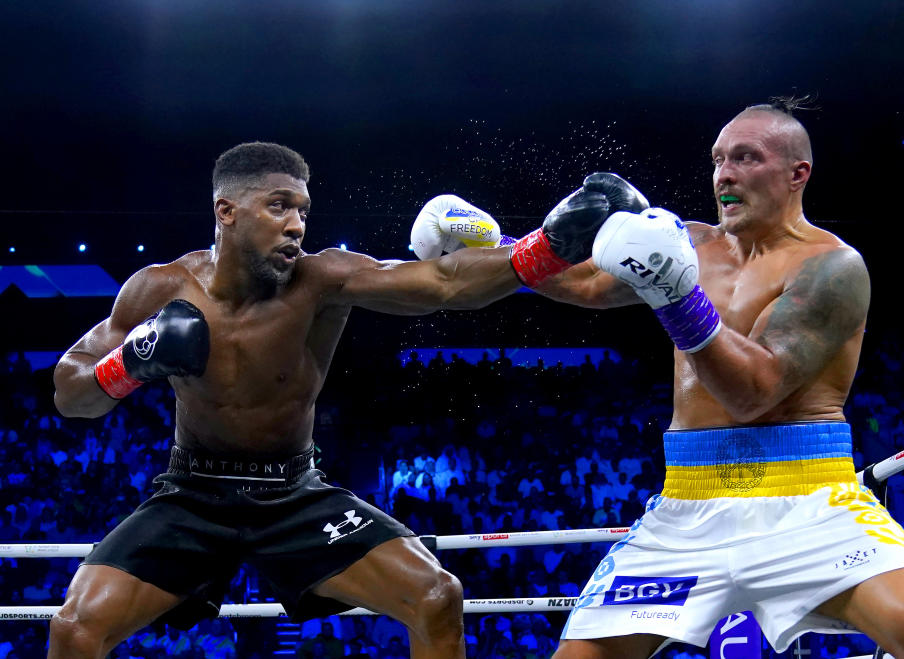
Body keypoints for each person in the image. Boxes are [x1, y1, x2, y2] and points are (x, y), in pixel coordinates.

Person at [417, 99, 904, 658]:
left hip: (809, 496)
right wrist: (494, 242)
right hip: (687, 504)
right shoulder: (692, 244)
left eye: (747, 158)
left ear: (798, 173)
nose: (725, 173)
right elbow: (580, 284)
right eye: (719, 159)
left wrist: (677, 297)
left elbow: (754, 393)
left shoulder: (833, 266)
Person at [49, 141, 632, 658]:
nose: (297, 225)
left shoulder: (322, 279)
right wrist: (127, 365)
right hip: (192, 496)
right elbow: (70, 392)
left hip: (293, 495)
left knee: (435, 595)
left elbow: (443, 282)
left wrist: (549, 248)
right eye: (279, 206)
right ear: (226, 212)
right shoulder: (160, 287)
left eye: (303, 210)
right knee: (75, 628)